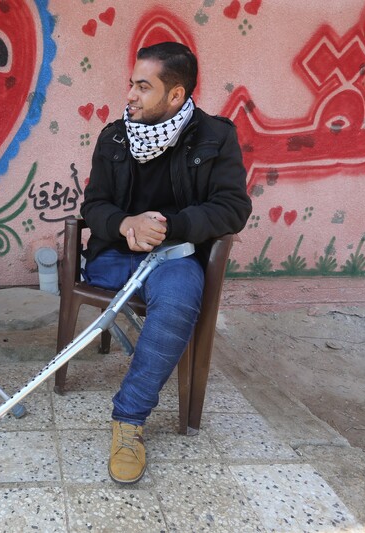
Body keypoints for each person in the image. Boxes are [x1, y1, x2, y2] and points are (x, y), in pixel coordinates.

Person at [80, 42, 252, 483]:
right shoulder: (114, 135)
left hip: (174, 257)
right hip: (114, 258)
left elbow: (233, 208)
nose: (131, 95)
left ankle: (129, 420)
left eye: (143, 86)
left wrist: (169, 226)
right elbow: (94, 205)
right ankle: (148, 374)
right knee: (173, 302)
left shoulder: (216, 136)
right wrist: (125, 226)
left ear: (175, 96)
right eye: (131, 84)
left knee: (176, 298)